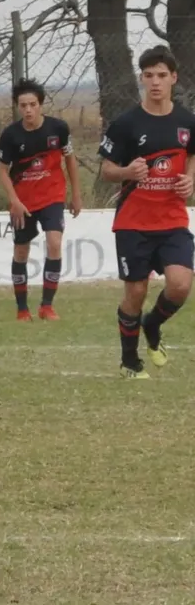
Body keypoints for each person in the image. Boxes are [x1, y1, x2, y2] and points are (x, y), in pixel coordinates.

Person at [97, 45, 195, 379]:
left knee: (181, 284)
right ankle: (130, 362)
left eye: (162, 76)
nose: (155, 82)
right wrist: (127, 172)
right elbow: (107, 169)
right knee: (135, 292)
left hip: (172, 219)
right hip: (133, 222)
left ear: (173, 78)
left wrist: (190, 180)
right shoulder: (126, 124)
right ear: (142, 79)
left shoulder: (186, 121)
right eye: (149, 75)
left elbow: (192, 155)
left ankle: (152, 325)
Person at [0, 78, 82, 321]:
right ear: (18, 107)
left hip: (53, 197)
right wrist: (14, 200)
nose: (28, 110)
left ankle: (47, 306)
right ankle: (22, 309)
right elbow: (2, 170)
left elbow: (70, 160)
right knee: (21, 251)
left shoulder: (58, 129)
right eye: (23, 105)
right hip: (23, 201)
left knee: (54, 243)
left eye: (32, 104)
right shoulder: (10, 135)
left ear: (41, 104)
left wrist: (75, 195)